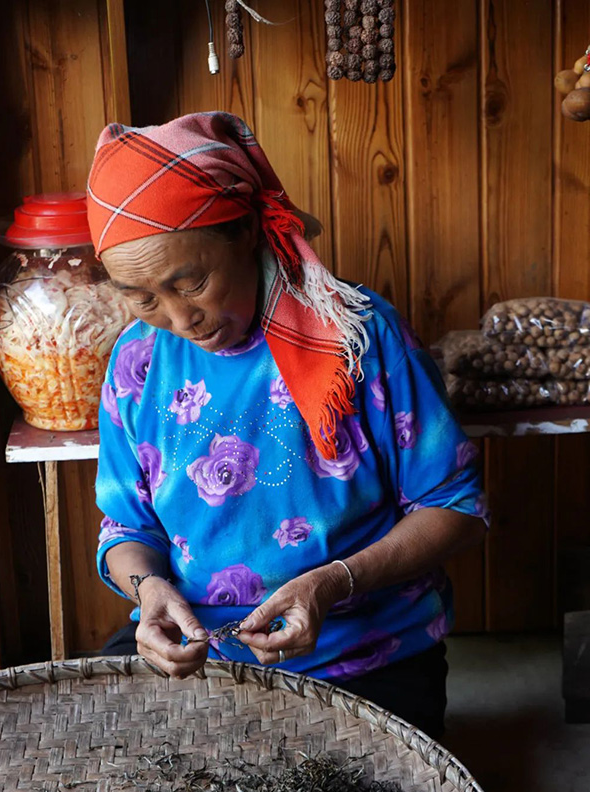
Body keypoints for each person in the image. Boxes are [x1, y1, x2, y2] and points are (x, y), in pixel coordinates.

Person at [87, 112, 488, 741]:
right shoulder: (137, 364)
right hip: (206, 656)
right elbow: (126, 526)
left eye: (191, 281)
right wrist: (149, 592)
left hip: (363, 651)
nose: (177, 317)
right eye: (141, 298)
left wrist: (333, 583)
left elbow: (455, 507)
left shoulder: (358, 337)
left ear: (244, 230)